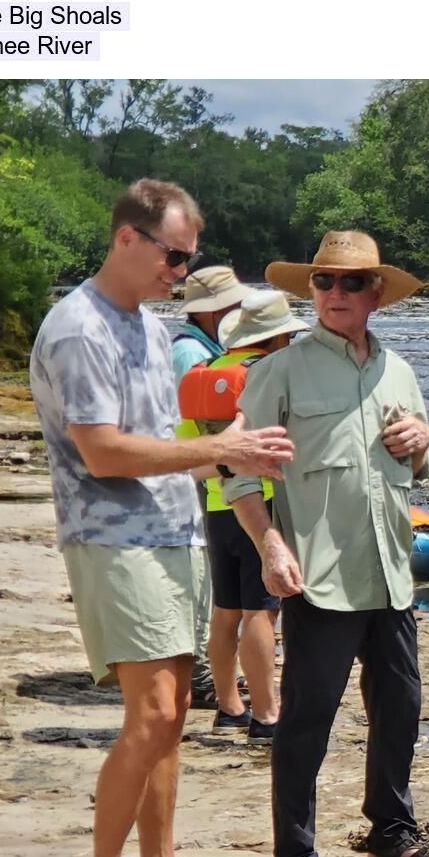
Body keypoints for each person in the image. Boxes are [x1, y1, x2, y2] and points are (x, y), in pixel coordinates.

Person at [32, 179, 293, 857]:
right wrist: (219, 449)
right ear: (127, 238)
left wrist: (228, 436)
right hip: (114, 539)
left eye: (189, 259)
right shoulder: (80, 329)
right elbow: (103, 450)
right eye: (173, 255)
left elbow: (163, 433)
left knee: (174, 713)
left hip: (172, 534)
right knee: (150, 714)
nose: (180, 272)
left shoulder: (146, 324)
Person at [226, 230, 429, 857]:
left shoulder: (398, 368)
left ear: (376, 294)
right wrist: (272, 548)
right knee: (307, 720)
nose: (335, 293)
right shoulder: (280, 370)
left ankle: (391, 835)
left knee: (402, 707)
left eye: (351, 283)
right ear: (310, 290)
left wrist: (425, 442)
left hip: (392, 572)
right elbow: (239, 480)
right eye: (323, 282)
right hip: (320, 577)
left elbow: (420, 459)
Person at [175, 290, 307, 746]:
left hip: (215, 502)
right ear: (274, 340)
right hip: (261, 503)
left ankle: (229, 707)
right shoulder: (267, 375)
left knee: (225, 610)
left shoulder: (204, 372)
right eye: (287, 337)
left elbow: (190, 445)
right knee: (262, 613)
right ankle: (267, 715)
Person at [170, 266, 258, 705]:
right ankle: (207, 680)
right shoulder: (192, 355)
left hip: (204, 477)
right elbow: (199, 424)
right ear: (214, 310)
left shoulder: (205, 349)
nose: (241, 308)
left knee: (217, 591)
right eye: (235, 302)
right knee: (215, 590)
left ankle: (215, 680)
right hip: (206, 481)